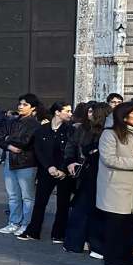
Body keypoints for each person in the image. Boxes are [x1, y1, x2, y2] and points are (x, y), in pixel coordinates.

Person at [96, 101, 133, 265]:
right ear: (124, 115)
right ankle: (112, 259)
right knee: (115, 227)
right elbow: (109, 159)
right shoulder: (109, 134)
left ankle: (126, 259)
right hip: (115, 188)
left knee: (129, 227)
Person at [21, 102, 75, 243]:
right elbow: (39, 151)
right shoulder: (42, 130)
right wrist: (49, 167)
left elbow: (71, 151)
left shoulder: (70, 130)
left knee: (63, 204)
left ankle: (58, 234)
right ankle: (33, 231)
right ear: (57, 112)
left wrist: (63, 170)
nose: (70, 114)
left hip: (64, 172)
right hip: (46, 171)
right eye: (67, 111)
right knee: (40, 202)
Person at [64, 103, 109, 255]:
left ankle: (92, 243)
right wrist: (70, 161)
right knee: (82, 208)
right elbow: (72, 146)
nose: (88, 114)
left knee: (95, 210)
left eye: (92, 112)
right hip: (86, 173)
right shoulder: (82, 129)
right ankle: (76, 242)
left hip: (101, 175)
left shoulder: (107, 131)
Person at [0, 93, 42, 236]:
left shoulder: (35, 124)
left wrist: (8, 139)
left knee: (27, 196)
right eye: (20, 104)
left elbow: (25, 142)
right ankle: (14, 221)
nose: (21, 107)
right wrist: (9, 145)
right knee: (13, 194)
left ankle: (26, 224)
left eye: (25, 105)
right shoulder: (12, 121)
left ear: (33, 108)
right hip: (10, 160)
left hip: (26, 162)